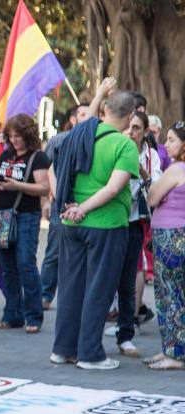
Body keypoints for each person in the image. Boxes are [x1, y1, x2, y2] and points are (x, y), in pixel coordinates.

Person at [50, 90, 139, 370]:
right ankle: (90, 354)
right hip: (105, 224)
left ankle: (63, 349)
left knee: (70, 287)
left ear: (103, 110)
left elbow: (53, 166)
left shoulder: (81, 133)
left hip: (70, 222)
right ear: (130, 115)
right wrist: (85, 208)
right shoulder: (125, 146)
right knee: (98, 289)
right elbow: (114, 188)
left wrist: (72, 206)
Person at [106, 111, 160, 357]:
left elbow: (157, 190)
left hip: (134, 223)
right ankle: (91, 332)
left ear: (145, 131)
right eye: (128, 127)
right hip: (109, 221)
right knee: (104, 278)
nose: (131, 132)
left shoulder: (151, 157)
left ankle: (125, 333)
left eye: (137, 128)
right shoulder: (112, 149)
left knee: (128, 280)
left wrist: (141, 170)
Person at [0, 114, 51, 333]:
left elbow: (44, 188)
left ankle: (33, 315)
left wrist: (17, 185)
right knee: (7, 267)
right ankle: (12, 313)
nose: (14, 140)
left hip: (26, 215)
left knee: (25, 263)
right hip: (3, 215)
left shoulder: (38, 157)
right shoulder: (6, 154)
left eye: (18, 136)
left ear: (28, 134)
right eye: (11, 136)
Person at [41, 103, 91, 309]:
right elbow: (45, 168)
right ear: (73, 119)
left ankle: (76, 298)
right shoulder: (58, 140)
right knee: (54, 252)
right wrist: (45, 199)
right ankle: (44, 295)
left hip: (87, 205)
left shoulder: (96, 142)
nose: (87, 118)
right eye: (82, 114)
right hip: (60, 205)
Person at [144, 121, 185, 370]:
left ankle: (175, 354)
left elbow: (151, 198)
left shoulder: (176, 168)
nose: (166, 144)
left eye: (172, 140)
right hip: (178, 235)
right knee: (175, 293)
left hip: (170, 237)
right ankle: (170, 348)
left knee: (169, 294)